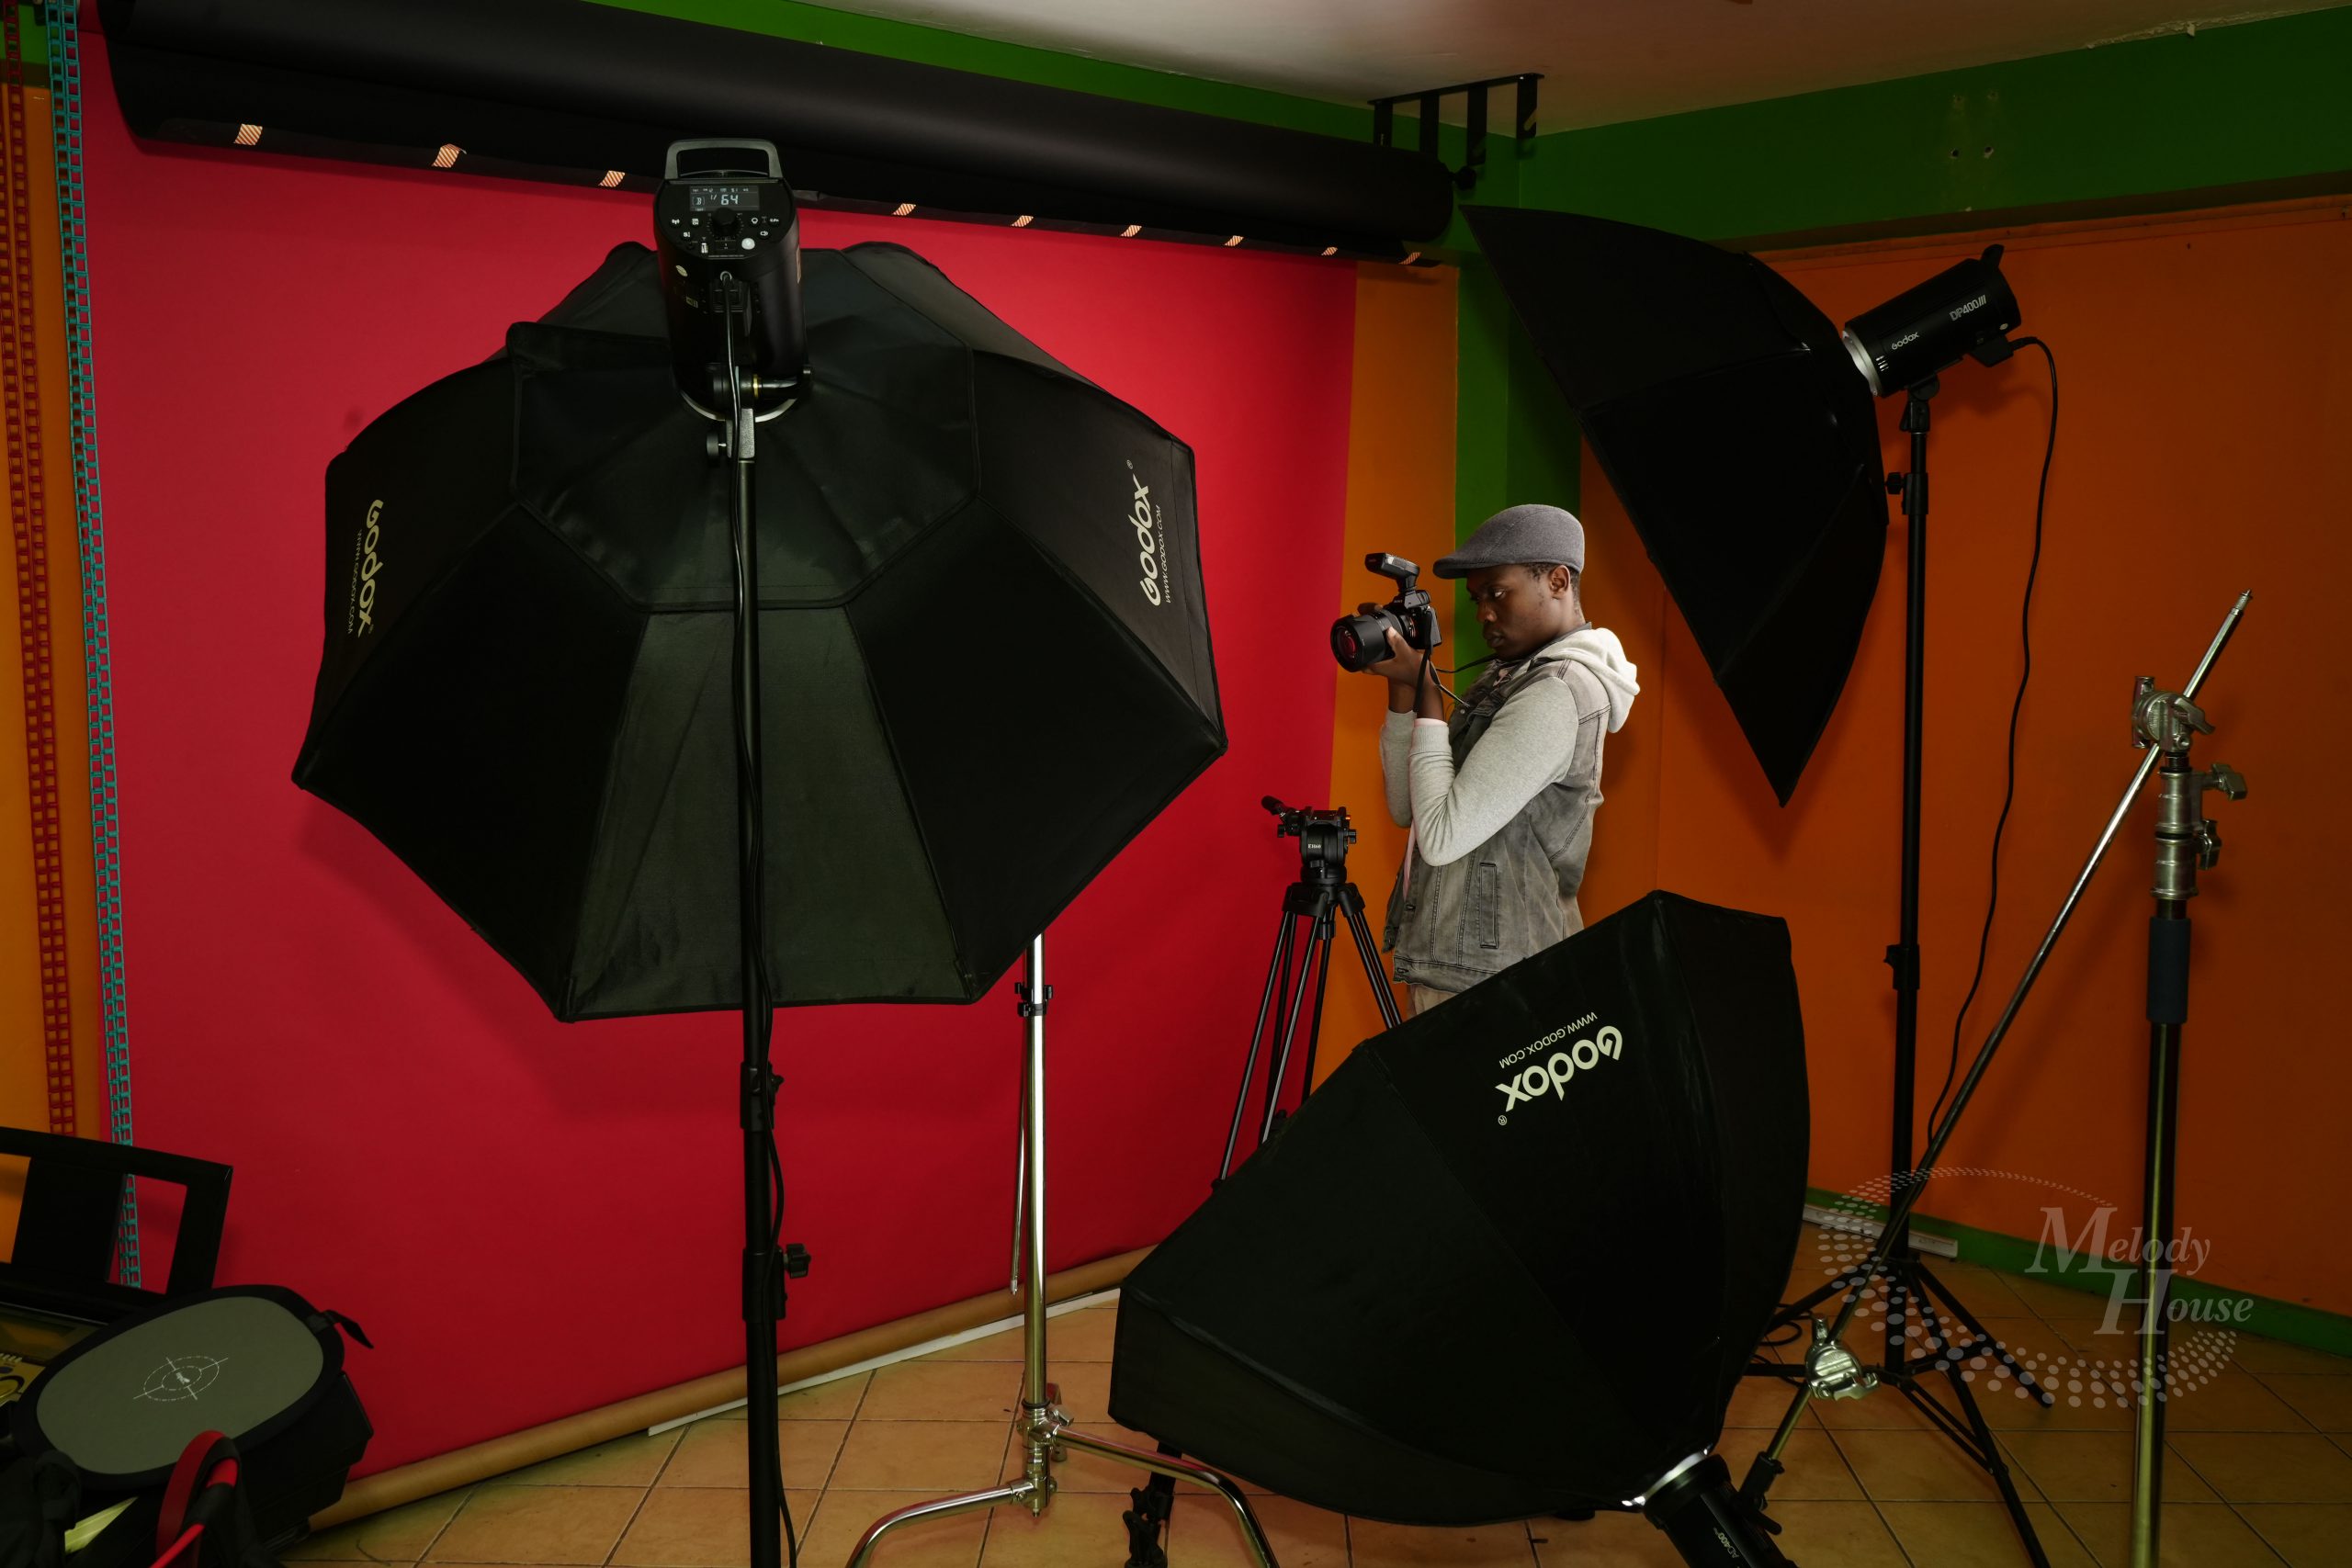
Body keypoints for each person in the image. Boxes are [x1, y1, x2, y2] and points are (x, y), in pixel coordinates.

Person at [1362, 503, 1640, 1015]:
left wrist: (1427, 692)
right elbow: (1411, 810)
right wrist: (1404, 691)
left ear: (1557, 580)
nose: (1484, 613)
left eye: (1498, 593)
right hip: (1455, 966)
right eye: (1476, 598)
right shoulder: (1503, 678)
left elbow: (1442, 838)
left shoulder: (1559, 691)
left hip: (1504, 984)